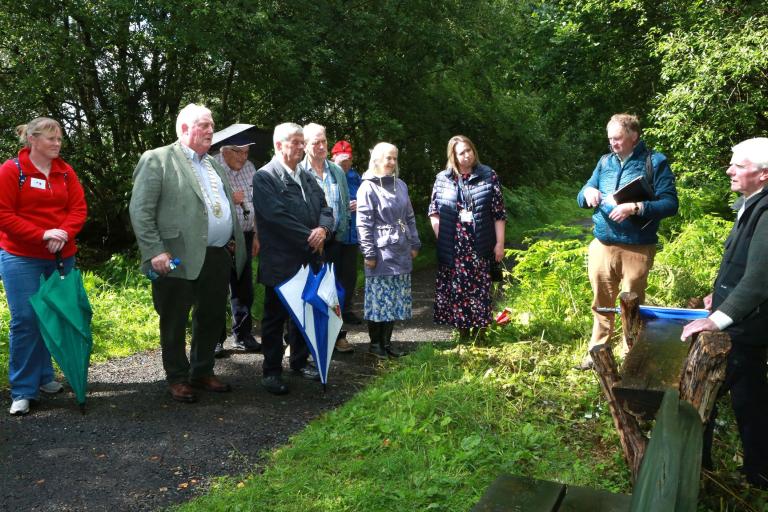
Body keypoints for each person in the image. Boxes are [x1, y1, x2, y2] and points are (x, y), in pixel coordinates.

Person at [129, 104, 246, 403]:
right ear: (184, 129)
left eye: (212, 125)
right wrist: (154, 250)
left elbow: (217, 204)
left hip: (216, 255)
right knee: (174, 319)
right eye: (204, 125)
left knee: (210, 317)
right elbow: (140, 210)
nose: (210, 130)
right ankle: (178, 377)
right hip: (174, 256)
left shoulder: (213, 163)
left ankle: (202, 371)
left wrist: (229, 235)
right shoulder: (158, 159)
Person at [680, 137, 768, 490]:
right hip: (743, 322)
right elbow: (742, 267)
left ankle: (692, 473)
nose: (729, 170)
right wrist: (716, 296)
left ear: (763, 174)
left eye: (739, 166)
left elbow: (761, 280)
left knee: (699, 394)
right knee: (751, 400)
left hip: (746, 328)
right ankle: (760, 474)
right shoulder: (750, 203)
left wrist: (716, 319)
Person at [576, 113, 678, 370]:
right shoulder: (605, 162)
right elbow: (582, 194)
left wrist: (635, 207)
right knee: (601, 301)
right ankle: (597, 351)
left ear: (634, 136)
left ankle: (631, 355)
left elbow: (670, 204)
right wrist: (587, 193)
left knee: (631, 303)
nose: (613, 144)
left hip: (637, 246)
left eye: (618, 138)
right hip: (602, 244)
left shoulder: (655, 162)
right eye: (610, 139)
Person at [0, 117, 87, 415]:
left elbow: (78, 209)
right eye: (51, 138)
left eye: (60, 138)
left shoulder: (66, 172)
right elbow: (3, 215)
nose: (57, 143)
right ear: (33, 140)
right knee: (25, 319)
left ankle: (45, 376)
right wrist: (41, 234)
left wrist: (62, 233)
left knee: (54, 315)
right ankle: (23, 389)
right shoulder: (13, 171)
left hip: (61, 254)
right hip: (20, 255)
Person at [252, 123, 334, 394]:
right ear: (279, 145)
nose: (302, 146)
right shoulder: (266, 177)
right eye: (296, 142)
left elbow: (325, 207)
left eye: (303, 142)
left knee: (305, 313)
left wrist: (323, 230)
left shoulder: (306, 176)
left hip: (309, 259)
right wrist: (310, 236)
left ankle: (299, 362)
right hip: (281, 262)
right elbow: (276, 217)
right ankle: (271, 371)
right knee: (275, 318)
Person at [428, 135, 507, 341]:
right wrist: (440, 234)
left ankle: (480, 335)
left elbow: (498, 213)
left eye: (469, 150)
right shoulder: (442, 179)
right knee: (458, 291)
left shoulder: (488, 175)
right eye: (461, 153)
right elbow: (434, 211)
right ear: (453, 156)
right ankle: (463, 334)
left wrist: (499, 243)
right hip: (454, 246)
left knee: (480, 290)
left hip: (480, 243)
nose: (467, 155)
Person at [356, 142, 421, 358]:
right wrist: (369, 253)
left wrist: (414, 243)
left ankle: (387, 343)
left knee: (394, 298)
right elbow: (363, 223)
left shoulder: (400, 184)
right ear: (376, 159)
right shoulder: (367, 187)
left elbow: (409, 217)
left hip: (401, 248)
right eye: (388, 158)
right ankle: (375, 345)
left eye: (395, 158)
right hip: (381, 252)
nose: (392, 162)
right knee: (378, 299)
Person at [298, 124, 353, 353]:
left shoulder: (337, 171)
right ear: (304, 145)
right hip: (309, 242)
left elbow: (344, 203)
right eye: (315, 143)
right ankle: (299, 341)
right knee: (306, 292)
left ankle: (336, 335)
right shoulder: (299, 171)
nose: (321, 146)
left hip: (334, 241)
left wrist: (338, 233)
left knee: (335, 291)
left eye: (324, 142)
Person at [213, 139, 261, 356]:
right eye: (239, 152)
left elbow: (257, 202)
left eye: (247, 152)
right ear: (225, 150)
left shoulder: (250, 168)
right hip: (221, 237)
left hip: (247, 234)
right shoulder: (211, 166)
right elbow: (202, 203)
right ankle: (214, 340)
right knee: (217, 287)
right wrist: (227, 199)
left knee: (243, 287)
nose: (243, 157)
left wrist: (258, 234)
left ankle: (242, 336)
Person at [332, 140, 364, 326]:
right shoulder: (329, 174)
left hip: (352, 235)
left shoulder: (355, 176)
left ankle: (347, 309)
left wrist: (359, 204)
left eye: (348, 160)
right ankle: (334, 310)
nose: (345, 164)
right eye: (342, 160)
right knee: (334, 274)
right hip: (335, 235)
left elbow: (367, 198)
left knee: (350, 275)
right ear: (334, 158)